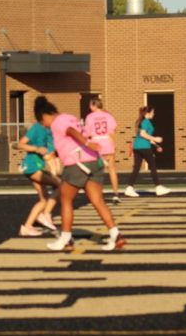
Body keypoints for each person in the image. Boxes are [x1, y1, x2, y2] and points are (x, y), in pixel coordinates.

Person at [37, 97, 126, 252]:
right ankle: (115, 234)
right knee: (98, 201)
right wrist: (58, 153)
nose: (42, 125)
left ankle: (66, 239)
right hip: (93, 161)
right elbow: (72, 136)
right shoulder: (70, 117)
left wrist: (87, 143)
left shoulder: (57, 123)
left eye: (41, 121)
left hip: (77, 163)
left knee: (65, 200)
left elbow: (71, 132)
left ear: (45, 115)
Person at [17, 98, 60, 236]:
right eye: (51, 116)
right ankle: (45, 214)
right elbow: (20, 144)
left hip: (37, 166)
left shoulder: (48, 130)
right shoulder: (36, 128)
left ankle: (27, 227)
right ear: (44, 116)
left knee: (43, 199)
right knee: (60, 185)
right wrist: (36, 148)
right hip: (31, 166)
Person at [124, 105, 171, 197]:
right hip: (144, 147)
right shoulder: (146, 122)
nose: (154, 114)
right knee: (152, 166)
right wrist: (156, 139)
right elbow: (143, 134)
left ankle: (129, 188)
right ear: (147, 113)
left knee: (136, 168)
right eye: (153, 112)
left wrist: (156, 145)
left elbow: (145, 136)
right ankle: (158, 187)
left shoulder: (141, 122)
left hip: (137, 147)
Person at [84, 98, 121, 204]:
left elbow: (87, 133)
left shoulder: (89, 117)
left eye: (90, 105)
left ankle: (97, 195)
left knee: (96, 172)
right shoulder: (108, 116)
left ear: (93, 105)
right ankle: (116, 194)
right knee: (112, 170)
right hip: (107, 143)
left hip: (96, 144)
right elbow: (112, 132)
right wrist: (113, 144)